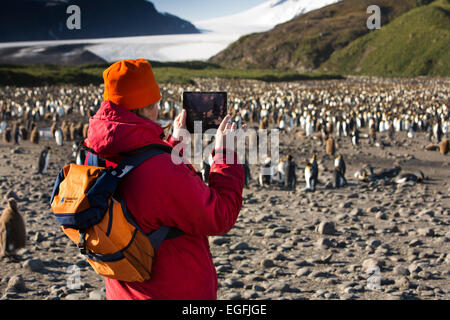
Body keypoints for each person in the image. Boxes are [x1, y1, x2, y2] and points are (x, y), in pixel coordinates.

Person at [83, 59, 245, 300]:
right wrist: (225, 154)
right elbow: (220, 215)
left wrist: (173, 146)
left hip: (124, 292)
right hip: (170, 291)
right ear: (147, 105)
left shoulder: (95, 155)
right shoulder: (160, 169)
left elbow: (145, 186)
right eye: (154, 102)